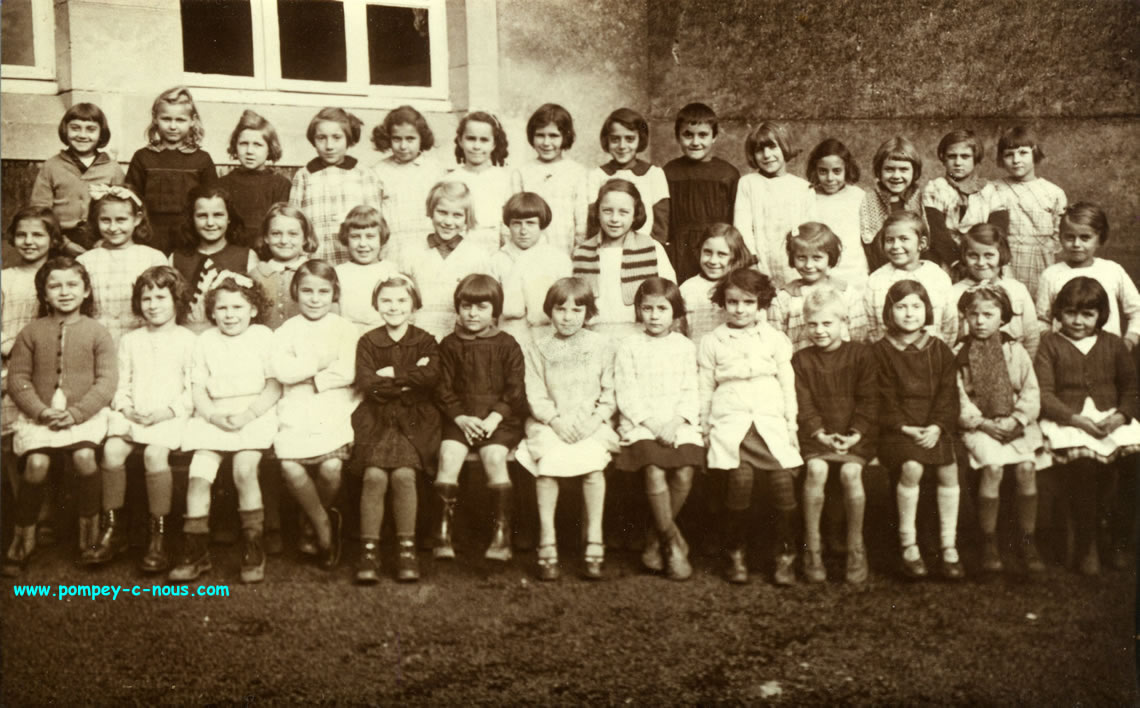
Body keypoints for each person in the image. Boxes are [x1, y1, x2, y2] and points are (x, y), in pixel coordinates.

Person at [3, 257, 116, 577]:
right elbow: (17, 379)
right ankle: (23, 537)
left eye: (72, 285)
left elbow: (106, 382)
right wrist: (40, 410)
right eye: (55, 285)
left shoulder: (98, 332)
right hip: (40, 417)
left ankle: (89, 536)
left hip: (83, 417)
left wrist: (77, 413)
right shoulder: (31, 332)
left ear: (86, 290)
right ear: (44, 293)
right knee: (37, 465)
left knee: (84, 457)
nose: (64, 292)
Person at [171, 273, 281, 584]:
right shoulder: (205, 341)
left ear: (254, 310)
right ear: (212, 312)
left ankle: (252, 548)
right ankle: (195, 551)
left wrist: (249, 414)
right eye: (222, 308)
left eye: (238, 307)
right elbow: (197, 389)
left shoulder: (264, 337)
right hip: (214, 417)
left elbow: (274, 386)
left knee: (244, 470)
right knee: (198, 476)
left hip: (253, 414)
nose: (230, 315)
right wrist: (211, 415)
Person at [698, 268, 802, 585]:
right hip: (730, 424)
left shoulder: (775, 339)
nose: (739, 309)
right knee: (740, 480)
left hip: (770, 423)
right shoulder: (712, 341)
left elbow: (787, 385)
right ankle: (736, 551)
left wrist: (791, 426)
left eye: (747, 302)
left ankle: (785, 554)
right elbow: (704, 388)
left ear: (761, 304)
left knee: (783, 481)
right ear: (722, 303)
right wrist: (704, 429)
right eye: (732, 302)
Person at [90, 266, 196, 571]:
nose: (153, 304)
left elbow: (192, 388)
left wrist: (168, 411)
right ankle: (114, 529)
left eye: (161, 296)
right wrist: (126, 409)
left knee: (154, 454)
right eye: (146, 298)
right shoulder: (130, 340)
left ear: (177, 300)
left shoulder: (188, 340)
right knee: (112, 450)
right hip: (135, 414)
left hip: (170, 416)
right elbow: (120, 384)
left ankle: (158, 536)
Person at [1035, 277, 1140, 575]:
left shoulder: (1114, 344)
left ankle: (1120, 540)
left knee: (1135, 462)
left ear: (1100, 315)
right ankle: (1087, 543)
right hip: (1069, 420)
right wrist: (1075, 419)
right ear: (1058, 313)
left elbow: (1132, 388)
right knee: (1085, 468)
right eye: (1070, 313)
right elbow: (1043, 393)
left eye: (1087, 314)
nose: (1078, 321)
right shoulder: (1050, 344)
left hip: (1111, 418)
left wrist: (1120, 416)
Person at [518, 277, 618, 580]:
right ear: (550, 311)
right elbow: (535, 394)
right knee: (547, 466)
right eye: (561, 309)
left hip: (590, 423)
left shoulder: (601, 346)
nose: (568, 317)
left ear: (588, 313)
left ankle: (594, 540)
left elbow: (609, 394)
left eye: (577, 310)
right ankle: (547, 541)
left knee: (592, 469)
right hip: (551, 423)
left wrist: (592, 421)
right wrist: (555, 421)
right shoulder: (537, 348)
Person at [272, 261, 360, 574]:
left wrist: (310, 377)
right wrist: (318, 363)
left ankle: (310, 517)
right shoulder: (286, 331)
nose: (314, 298)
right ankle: (322, 523)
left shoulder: (345, 328)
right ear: (295, 291)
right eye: (307, 290)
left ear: (334, 293)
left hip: (333, 407)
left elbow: (348, 371)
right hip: (295, 408)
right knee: (291, 467)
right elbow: (281, 371)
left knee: (332, 467)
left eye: (323, 291)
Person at [614, 277, 705, 580]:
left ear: (675, 312)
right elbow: (626, 392)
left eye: (661, 309)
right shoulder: (628, 345)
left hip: (677, 422)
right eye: (647, 308)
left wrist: (676, 422)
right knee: (653, 468)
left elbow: (691, 390)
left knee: (684, 470)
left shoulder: (684, 347)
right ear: (638, 311)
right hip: (642, 423)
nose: (654, 315)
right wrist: (653, 424)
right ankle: (673, 543)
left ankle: (655, 538)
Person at [351, 276, 440, 584]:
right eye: (386, 300)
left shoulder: (426, 340)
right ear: (376, 305)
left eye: (402, 300)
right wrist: (408, 380)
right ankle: (369, 551)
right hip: (376, 419)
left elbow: (431, 378)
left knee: (404, 475)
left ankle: (406, 550)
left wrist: (392, 374)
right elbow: (367, 384)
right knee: (374, 476)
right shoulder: (368, 341)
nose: (394, 307)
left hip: (414, 420)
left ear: (414, 305)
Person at [954, 284, 1048, 574]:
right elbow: (957, 396)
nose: (980, 321)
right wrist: (981, 422)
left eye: (988, 314)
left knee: (1026, 468)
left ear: (1003, 318)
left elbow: (1031, 391)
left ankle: (1026, 538)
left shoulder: (1014, 350)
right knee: (993, 468)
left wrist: (1018, 419)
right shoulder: (959, 354)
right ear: (965, 317)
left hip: (1014, 422)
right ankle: (988, 540)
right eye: (973, 315)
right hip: (981, 426)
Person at [872, 280, 962, 581]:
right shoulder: (880, 352)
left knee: (949, 469)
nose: (909, 314)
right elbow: (882, 397)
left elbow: (949, 396)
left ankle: (949, 547)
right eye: (901, 307)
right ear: (889, 311)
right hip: (897, 430)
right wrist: (906, 428)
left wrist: (937, 426)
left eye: (916, 306)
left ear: (926, 311)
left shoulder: (940, 350)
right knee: (911, 467)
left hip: (934, 426)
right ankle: (908, 545)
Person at [432, 275, 526, 562]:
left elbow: (515, 389)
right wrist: (460, 418)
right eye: (466, 306)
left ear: (494, 311)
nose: (473, 314)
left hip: (497, 420)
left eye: (481, 307)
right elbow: (442, 388)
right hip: (460, 418)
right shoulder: (448, 345)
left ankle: (501, 534)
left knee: (495, 458)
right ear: (458, 308)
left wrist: (495, 419)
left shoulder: (507, 344)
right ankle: (442, 531)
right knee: (448, 457)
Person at [792, 287, 878, 584]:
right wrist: (820, 434)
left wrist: (855, 434)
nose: (819, 330)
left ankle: (856, 547)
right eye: (813, 324)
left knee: (851, 474)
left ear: (844, 323)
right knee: (816, 470)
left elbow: (869, 400)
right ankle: (812, 547)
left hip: (856, 436)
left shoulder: (861, 355)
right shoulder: (801, 360)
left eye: (827, 323)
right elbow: (803, 405)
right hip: (817, 437)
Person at [572, 178, 676, 341]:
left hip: (640, 333)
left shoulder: (651, 247)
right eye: (607, 211)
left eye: (623, 212)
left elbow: (670, 294)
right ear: (597, 212)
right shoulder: (583, 252)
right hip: (595, 334)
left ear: (635, 215)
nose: (614, 219)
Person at [1035, 202, 1140, 349]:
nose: (1076, 244)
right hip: (1065, 357)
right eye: (1070, 237)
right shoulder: (1051, 275)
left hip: (1107, 355)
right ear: (1060, 237)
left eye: (1085, 238)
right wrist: (1054, 345)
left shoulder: (1112, 270)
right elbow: (1042, 319)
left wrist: (1129, 340)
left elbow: (1137, 310)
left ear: (1100, 239)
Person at [125, 86, 216, 255]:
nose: (173, 126)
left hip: (190, 234)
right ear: (155, 119)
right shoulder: (143, 157)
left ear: (192, 120)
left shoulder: (202, 159)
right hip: (150, 235)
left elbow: (212, 200)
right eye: (166, 119)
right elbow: (131, 199)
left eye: (180, 120)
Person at [289, 107, 383, 264]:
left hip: (354, 261)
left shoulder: (364, 174)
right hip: (315, 262)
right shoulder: (304, 176)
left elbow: (375, 222)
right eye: (321, 138)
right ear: (313, 140)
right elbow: (294, 222)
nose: (329, 145)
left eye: (337, 137)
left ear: (349, 139)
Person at [76, 185, 167, 345]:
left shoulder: (153, 258)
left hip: (143, 342)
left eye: (121, 220)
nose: (113, 228)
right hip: (97, 343)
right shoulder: (85, 261)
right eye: (105, 220)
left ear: (137, 219)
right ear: (96, 220)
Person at [30, 102, 125, 254]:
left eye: (91, 129)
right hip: (59, 239)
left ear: (101, 133)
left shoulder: (112, 168)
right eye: (75, 128)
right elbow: (40, 211)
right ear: (65, 130)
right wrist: (63, 243)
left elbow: (123, 209)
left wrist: (106, 241)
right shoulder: (52, 166)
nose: (82, 135)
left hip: (103, 241)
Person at [401, 180, 490, 340]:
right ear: (430, 211)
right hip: (417, 337)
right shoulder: (410, 252)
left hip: (461, 339)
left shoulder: (478, 256)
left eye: (457, 215)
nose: (448, 222)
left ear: (467, 218)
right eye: (442, 212)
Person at [663, 102, 739, 282]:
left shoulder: (727, 174)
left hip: (716, 252)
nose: (695, 142)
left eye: (703, 135)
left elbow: (735, 220)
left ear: (714, 137)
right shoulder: (669, 172)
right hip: (678, 253)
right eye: (688, 135)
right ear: (677, 136)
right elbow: (664, 218)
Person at [988, 126, 1067, 297]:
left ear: (1035, 154)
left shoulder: (1053, 193)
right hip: (1005, 261)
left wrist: (1046, 250)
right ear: (1002, 158)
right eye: (1009, 154)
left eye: (1023, 153)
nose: (1016, 160)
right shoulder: (992, 188)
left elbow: (1060, 233)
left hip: (1041, 261)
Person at [488, 192, 572, 349]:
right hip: (508, 337)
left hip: (548, 337)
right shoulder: (497, 260)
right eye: (516, 223)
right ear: (508, 225)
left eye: (530, 223)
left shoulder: (558, 259)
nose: (523, 230)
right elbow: (490, 308)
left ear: (542, 224)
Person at [170, 184, 258, 332]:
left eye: (218, 215)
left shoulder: (247, 256)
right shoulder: (177, 258)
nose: (210, 223)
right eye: (202, 216)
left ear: (229, 218)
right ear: (191, 218)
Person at [733, 121, 812, 285]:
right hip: (758, 263)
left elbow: (809, 232)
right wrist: (752, 261)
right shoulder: (747, 183)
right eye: (759, 150)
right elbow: (742, 227)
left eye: (772, 147)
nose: (767, 155)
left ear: (784, 147)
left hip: (793, 267)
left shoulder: (803, 188)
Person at [769, 222, 867, 352]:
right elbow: (774, 343)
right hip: (800, 368)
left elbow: (858, 336)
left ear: (830, 258)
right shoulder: (783, 299)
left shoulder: (847, 293)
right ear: (793, 258)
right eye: (801, 257)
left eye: (817, 258)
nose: (809, 265)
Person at [863, 211, 957, 344]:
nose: (896, 246)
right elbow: (872, 328)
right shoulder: (876, 280)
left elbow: (949, 325)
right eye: (890, 240)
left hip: (931, 357)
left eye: (904, 239)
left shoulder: (938, 277)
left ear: (922, 243)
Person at [922, 129, 1007, 273]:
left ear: (975, 158)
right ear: (943, 158)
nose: (958, 162)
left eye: (965, 156)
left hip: (982, 259)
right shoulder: (935, 188)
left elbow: (997, 231)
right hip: (946, 259)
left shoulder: (992, 191)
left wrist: (977, 259)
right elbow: (937, 231)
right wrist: (956, 263)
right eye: (952, 156)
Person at [950, 223, 1040, 358]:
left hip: (1011, 361)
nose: (981, 263)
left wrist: (1026, 364)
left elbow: (1031, 335)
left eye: (989, 255)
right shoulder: (954, 293)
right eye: (973, 256)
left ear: (1002, 255)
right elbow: (950, 336)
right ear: (964, 256)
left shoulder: (1017, 290)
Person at [370, 105, 445, 264]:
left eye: (410, 139)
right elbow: (374, 216)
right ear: (388, 139)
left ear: (422, 138)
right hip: (393, 248)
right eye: (397, 139)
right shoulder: (378, 171)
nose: (403, 146)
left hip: (428, 245)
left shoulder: (435, 170)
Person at [586, 108, 670, 243]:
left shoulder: (654, 174)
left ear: (640, 139)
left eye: (630, 139)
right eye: (615, 139)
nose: (622, 146)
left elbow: (661, 222)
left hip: (644, 249)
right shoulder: (596, 175)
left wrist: (650, 249)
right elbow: (594, 220)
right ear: (606, 140)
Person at [515, 103, 589, 254]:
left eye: (554, 136)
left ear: (565, 137)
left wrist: (579, 250)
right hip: (529, 251)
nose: (546, 143)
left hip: (565, 248)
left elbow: (582, 219)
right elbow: (512, 215)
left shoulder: (577, 172)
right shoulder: (522, 172)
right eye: (540, 135)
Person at [218, 110, 291, 249]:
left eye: (257, 145)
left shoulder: (280, 184)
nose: (249, 151)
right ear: (235, 146)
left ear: (270, 148)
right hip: (231, 252)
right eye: (244, 143)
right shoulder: (222, 184)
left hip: (268, 254)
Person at [803, 138, 868, 293]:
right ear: (815, 170)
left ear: (847, 169)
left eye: (837, 171)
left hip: (854, 272)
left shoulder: (859, 196)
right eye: (823, 171)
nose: (830, 178)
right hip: (820, 271)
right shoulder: (808, 197)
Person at [443, 111, 514, 254]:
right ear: (460, 140)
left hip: (495, 251)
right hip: (458, 250)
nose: (476, 146)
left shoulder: (504, 179)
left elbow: (510, 223)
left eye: (484, 140)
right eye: (471, 139)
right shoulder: (449, 179)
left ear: (494, 144)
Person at [678, 223, 753, 344]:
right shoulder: (687, 289)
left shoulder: (744, 288)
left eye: (721, 254)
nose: (713, 261)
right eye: (707, 252)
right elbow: (678, 334)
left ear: (735, 257)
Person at [859, 137, 926, 272]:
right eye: (889, 169)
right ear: (879, 171)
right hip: (881, 269)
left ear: (914, 172)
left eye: (903, 169)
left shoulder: (922, 200)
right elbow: (870, 248)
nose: (896, 175)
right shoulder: (868, 201)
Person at [249, 203, 317, 331]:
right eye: (276, 233)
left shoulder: (315, 272)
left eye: (292, 234)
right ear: (266, 238)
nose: (284, 240)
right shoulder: (256, 275)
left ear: (305, 238)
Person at [333, 205, 399, 336]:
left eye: (370, 236)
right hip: (348, 338)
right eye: (355, 236)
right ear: (346, 238)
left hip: (384, 338)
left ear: (381, 238)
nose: (363, 244)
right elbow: (333, 318)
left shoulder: (391, 270)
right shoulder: (338, 273)